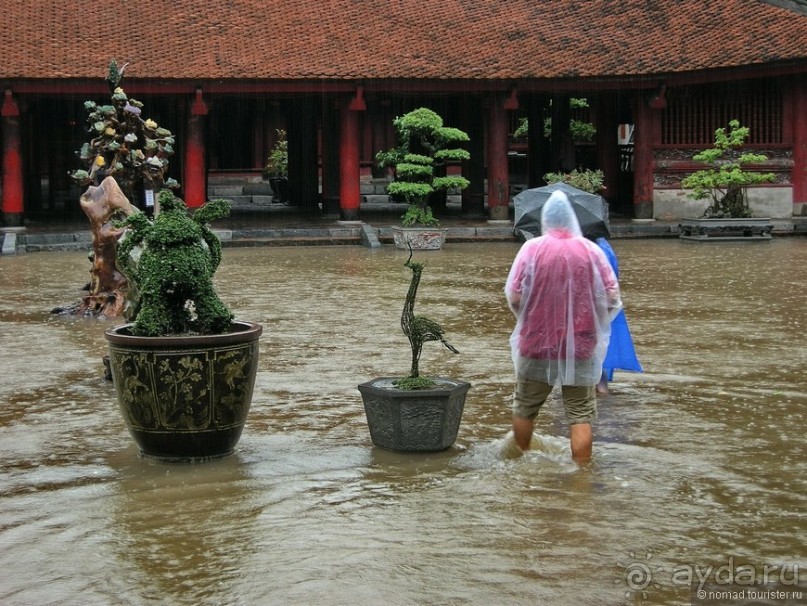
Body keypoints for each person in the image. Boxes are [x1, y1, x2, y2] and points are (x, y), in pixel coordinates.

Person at [504, 191, 622, 463]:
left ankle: (519, 465)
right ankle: (581, 476)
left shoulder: (531, 249)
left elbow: (514, 296)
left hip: (536, 341)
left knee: (525, 408)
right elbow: (612, 296)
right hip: (581, 344)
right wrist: (591, 316)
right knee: (580, 413)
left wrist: (532, 315)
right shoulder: (591, 251)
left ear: (546, 219)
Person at [592, 237, 643, 395]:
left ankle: (599, 392)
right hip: (606, 312)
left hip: (589, 313)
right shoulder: (604, 247)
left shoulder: (587, 249)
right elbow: (612, 289)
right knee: (598, 356)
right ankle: (601, 392)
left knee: (588, 359)